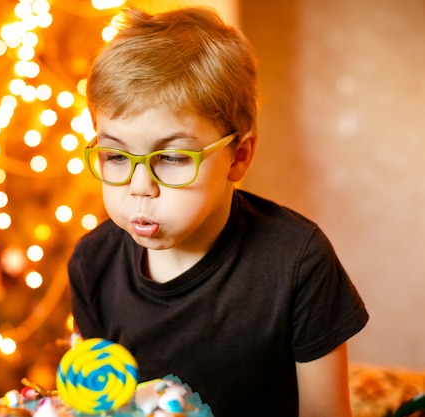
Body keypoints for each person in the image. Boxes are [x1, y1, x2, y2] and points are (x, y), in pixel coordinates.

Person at [67, 6, 368, 417]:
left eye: (171, 157)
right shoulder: (92, 263)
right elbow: (97, 405)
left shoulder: (297, 263)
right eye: (115, 155)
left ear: (238, 156)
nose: (139, 187)